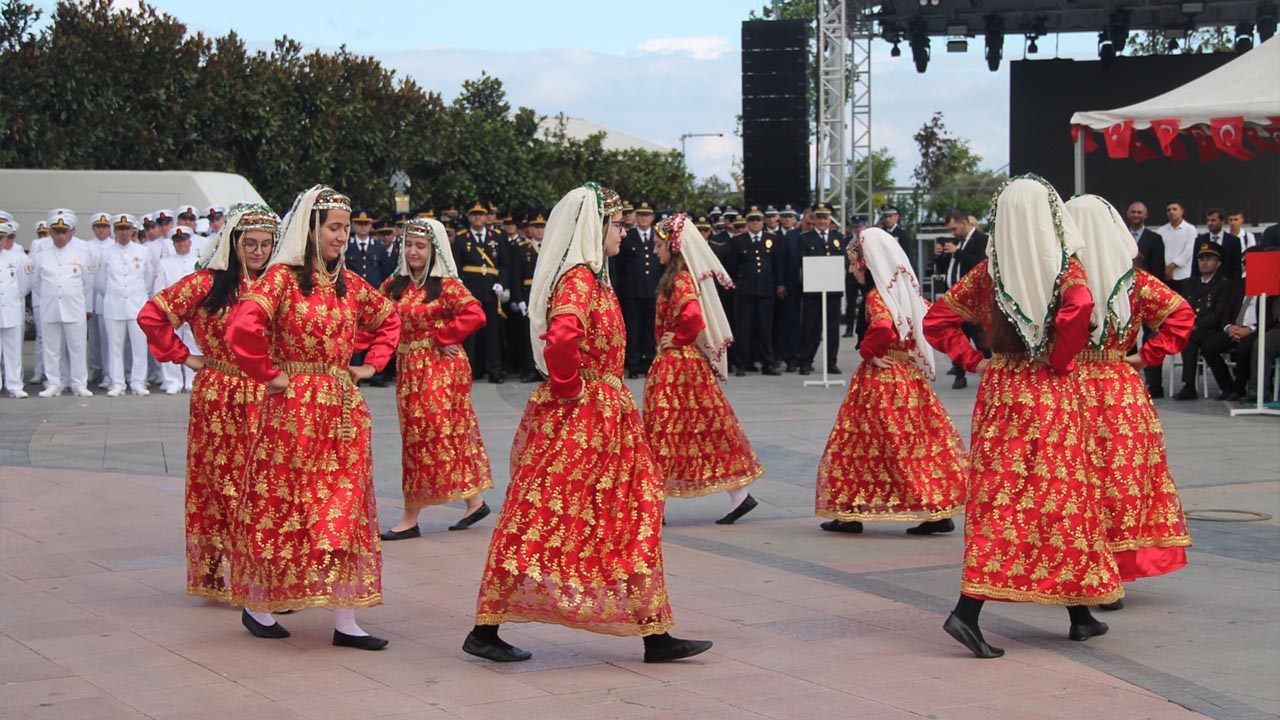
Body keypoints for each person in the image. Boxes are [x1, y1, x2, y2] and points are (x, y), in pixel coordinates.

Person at [466, 183, 711, 665]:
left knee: (632, 512)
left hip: (606, 416)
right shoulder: (579, 278)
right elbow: (561, 341)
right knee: (543, 514)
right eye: (616, 223)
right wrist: (572, 388)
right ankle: (486, 627)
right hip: (584, 417)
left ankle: (654, 632)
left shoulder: (596, 277)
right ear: (595, 228)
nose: (621, 231)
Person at [923, 175, 1121, 659]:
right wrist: (1058, 359)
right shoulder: (1064, 267)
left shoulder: (990, 273)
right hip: (1048, 394)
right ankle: (966, 612)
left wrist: (973, 360)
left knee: (1008, 496)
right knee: (1060, 497)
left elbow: (936, 320)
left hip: (1002, 393)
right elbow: (1080, 308)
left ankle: (1080, 613)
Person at [225, 186, 401, 650]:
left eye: (346, 228)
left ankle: (347, 620)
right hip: (294, 411)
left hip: (342, 411)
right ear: (312, 228)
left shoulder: (350, 284)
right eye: (335, 227)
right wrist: (269, 374)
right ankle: (259, 603)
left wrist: (370, 365)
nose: (342, 236)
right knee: (285, 505)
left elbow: (390, 320)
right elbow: (243, 326)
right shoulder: (281, 279)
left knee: (347, 509)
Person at [137, 203, 279, 602]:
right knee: (225, 485)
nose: (257, 252)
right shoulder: (206, 283)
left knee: (269, 483)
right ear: (232, 243)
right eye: (249, 243)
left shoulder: (278, 284)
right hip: (220, 395)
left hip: (269, 393)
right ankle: (232, 576)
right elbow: (153, 315)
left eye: (266, 244)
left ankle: (267, 570)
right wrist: (185, 356)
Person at [1066, 194, 1194, 599]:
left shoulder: (1062, 282)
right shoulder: (1134, 281)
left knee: (1073, 479)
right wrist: (1144, 356)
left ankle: (1079, 567)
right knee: (1118, 481)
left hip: (1068, 385)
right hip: (1119, 387)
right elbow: (1182, 315)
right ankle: (1115, 572)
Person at [817, 228, 966, 535]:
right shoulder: (905, 293)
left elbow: (883, 327)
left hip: (881, 379)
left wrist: (868, 351)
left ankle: (851, 510)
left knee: (861, 443)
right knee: (915, 444)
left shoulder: (876, 296)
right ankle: (935, 508)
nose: (852, 268)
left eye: (855, 261)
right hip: (908, 377)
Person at [376, 218, 493, 540]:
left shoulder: (446, 285)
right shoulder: (393, 285)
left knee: (427, 434)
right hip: (409, 368)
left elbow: (475, 314)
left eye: (421, 246)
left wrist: (444, 336)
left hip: (442, 368)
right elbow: (374, 316)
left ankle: (410, 516)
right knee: (436, 434)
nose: (413, 252)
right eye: (409, 245)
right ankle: (475, 501)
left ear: (434, 249)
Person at [645, 213, 763, 524]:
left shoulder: (680, 279)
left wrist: (678, 339)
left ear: (673, 247)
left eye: (659, 245)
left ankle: (659, 506)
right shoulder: (677, 277)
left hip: (679, 367)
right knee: (698, 430)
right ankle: (738, 496)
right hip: (681, 365)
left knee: (665, 431)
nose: (655, 250)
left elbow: (694, 318)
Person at [31, 211, 95, 398]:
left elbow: (87, 283)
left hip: (74, 307)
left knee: (77, 347)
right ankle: (53, 383)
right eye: (56, 231)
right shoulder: (41, 255)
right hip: (50, 307)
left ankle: (79, 383)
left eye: (63, 231)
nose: (60, 235)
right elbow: (36, 283)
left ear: (71, 232)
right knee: (51, 348)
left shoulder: (81, 255)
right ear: (50, 232)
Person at [1173, 243, 1241, 401]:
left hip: (1212, 328)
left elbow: (1218, 312)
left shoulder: (1223, 284)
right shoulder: (1191, 283)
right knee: (1172, 336)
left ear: (1218, 263)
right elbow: (1182, 307)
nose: (1204, 262)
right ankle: (1182, 386)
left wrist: (1196, 325)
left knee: (1196, 340)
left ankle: (1191, 385)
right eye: (1201, 259)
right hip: (1191, 328)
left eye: (1209, 259)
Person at [96, 216, 155, 396]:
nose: (123, 232)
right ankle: (117, 383)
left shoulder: (143, 251)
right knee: (115, 347)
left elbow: (148, 280)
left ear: (132, 231)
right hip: (114, 305)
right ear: (115, 231)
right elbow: (100, 282)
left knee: (139, 346)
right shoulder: (106, 252)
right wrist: (116, 294)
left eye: (126, 229)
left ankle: (138, 382)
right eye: (120, 229)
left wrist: (135, 295)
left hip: (137, 305)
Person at [454, 203, 509, 384]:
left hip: (492, 292)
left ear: (487, 217)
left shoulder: (498, 238)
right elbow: (455, 267)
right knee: (470, 335)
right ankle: (469, 370)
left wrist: (502, 284)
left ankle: (494, 371)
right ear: (469, 217)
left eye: (481, 214)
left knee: (492, 335)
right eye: (474, 214)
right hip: (471, 292)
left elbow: (505, 264)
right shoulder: (462, 239)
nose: (478, 218)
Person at [935, 208, 989, 389]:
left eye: (954, 229)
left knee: (980, 338)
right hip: (955, 299)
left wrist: (957, 252)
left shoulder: (981, 240)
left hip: (974, 301)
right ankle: (959, 374)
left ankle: (988, 371)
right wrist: (940, 256)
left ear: (964, 223)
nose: (953, 233)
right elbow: (947, 269)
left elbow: (979, 264)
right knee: (958, 338)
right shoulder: (957, 242)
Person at [726, 206, 780, 375]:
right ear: (747, 222)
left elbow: (777, 266)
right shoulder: (738, 241)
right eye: (751, 220)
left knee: (765, 329)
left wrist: (779, 284)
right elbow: (731, 266)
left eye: (758, 220)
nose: (755, 223)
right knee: (744, 329)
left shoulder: (772, 239)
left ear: (763, 222)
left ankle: (767, 363)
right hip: (745, 291)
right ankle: (742, 363)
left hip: (765, 290)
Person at [1125, 201, 1170, 398]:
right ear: (1127, 214)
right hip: (1126, 293)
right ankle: (1128, 381)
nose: (1136, 215)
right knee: (1126, 338)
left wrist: (1156, 296)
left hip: (1149, 294)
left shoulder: (1155, 238)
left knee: (1152, 337)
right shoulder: (1120, 235)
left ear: (1146, 215)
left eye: (1139, 212)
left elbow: (1159, 268)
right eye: (1133, 212)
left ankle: (1155, 384)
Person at [153, 225, 203, 394]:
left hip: (193, 311)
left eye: (184, 240)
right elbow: (159, 288)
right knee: (170, 344)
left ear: (190, 241)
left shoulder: (199, 262)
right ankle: (173, 380)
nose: (181, 244)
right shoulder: (165, 263)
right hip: (171, 311)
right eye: (177, 241)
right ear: (173, 244)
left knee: (193, 346)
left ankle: (192, 379)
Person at [797, 203, 845, 375]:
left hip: (833, 289)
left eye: (825, 218)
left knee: (833, 329)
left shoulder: (838, 238)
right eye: (819, 217)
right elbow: (802, 261)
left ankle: (831, 362)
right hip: (813, 290)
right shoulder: (805, 238)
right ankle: (805, 361)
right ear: (814, 219)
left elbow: (844, 262)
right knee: (811, 328)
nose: (823, 221)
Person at [617, 202, 662, 378]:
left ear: (652, 217)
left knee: (651, 328)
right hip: (632, 292)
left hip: (653, 290)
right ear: (636, 216)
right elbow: (620, 266)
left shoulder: (659, 236)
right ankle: (634, 364)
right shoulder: (628, 236)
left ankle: (649, 362)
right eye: (641, 214)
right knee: (633, 329)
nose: (644, 218)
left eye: (647, 215)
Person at [0, 221, 31, 398]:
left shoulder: (16, 259)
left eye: (1, 238)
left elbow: (24, 285)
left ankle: (14, 385)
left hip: (11, 308)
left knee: (13, 349)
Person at [1155, 200, 1198, 294]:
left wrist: (1172, 266)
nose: (1171, 212)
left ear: (1182, 211)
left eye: (1174, 209)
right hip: (1165, 275)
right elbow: (1158, 251)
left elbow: (1190, 250)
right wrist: (1165, 268)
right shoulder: (1161, 231)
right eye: (1169, 210)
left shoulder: (1190, 229)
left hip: (1183, 275)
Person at [1192, 208, 1243, 285]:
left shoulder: (1233, 241)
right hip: (1205, 284)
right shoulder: (1200, 240)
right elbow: (1195, 265)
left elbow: (1236, 267)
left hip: (1227, 285)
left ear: (1222, 221)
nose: (1210, 223)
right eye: (1208, 220)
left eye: (1213, 220)